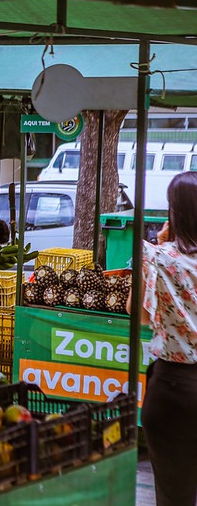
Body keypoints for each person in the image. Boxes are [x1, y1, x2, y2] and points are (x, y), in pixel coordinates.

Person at [127, 171, 197, 505]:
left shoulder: (157, 258)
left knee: (174, 494)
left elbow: (137, 313)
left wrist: (158, 247)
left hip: (175, 390)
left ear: (175, 212)